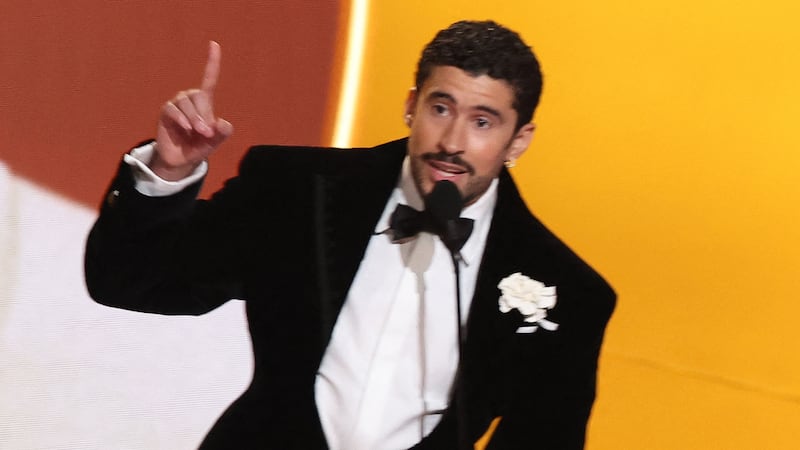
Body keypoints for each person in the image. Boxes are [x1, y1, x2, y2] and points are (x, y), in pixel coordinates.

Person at [85, 20, 615, 449]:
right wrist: (169, 174)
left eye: (483, 122)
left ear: (518, 140)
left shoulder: (566, 293)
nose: (452, 141)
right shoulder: (297, 191)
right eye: (440, 108)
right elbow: (131, 281)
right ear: (411, 105)